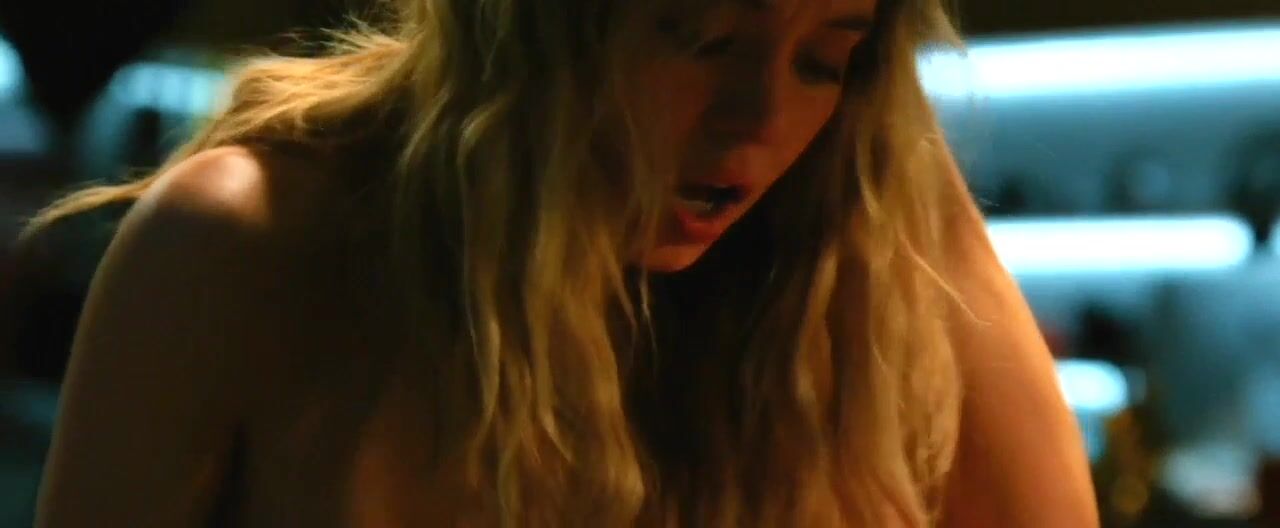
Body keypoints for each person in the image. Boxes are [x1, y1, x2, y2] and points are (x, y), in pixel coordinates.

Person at [25, 0, 1098, 525]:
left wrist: (886, 159)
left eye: (827, 58)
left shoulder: (816, 271)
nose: (759, 120)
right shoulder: (253, 242)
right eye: (702, 37)